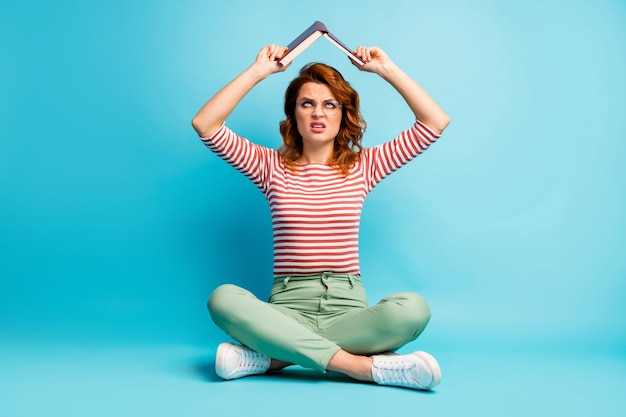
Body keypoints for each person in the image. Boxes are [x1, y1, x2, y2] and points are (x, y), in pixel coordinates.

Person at [191, 43, 450, 390]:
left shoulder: (364, 167)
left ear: (343, 113)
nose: (318, 113)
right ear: (293, 115)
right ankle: (361, 367)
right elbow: (205, 124)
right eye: (307, 103)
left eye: (330, 104)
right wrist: (259, 70)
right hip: (286, 308)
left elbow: (434, 121)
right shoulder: (270, 167)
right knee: (223, 299)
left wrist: (385, 69)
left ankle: (273, 357)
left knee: (413, 309)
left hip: (348, 311)